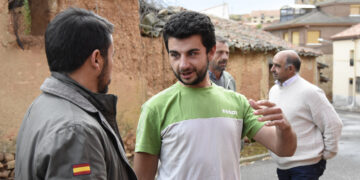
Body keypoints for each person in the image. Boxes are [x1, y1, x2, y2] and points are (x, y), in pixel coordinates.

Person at [133, 11, 297, 180]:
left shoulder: (238, 103)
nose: (183, 65)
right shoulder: (155, 108)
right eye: (175, 55)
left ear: (210, 52)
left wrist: (284, 128)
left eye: (192, 53)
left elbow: (285, 150)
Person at [15, 8, 137, 179]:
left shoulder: (41, 105)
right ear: (97, 59)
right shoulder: (76, 131)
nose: (113, 65)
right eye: (112, 55)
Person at [269, 50, 343, 180]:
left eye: (277, 66)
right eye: (272, 65)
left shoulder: (310, 92)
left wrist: (326, 154)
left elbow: (333, 124)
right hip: (282, 166)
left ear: (290, 68)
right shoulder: (274, 91)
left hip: (306, 166)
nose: (272, 69)